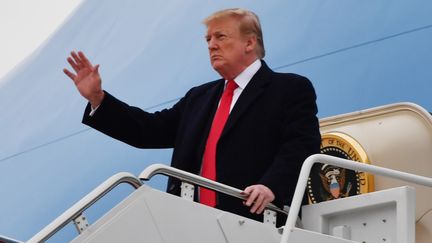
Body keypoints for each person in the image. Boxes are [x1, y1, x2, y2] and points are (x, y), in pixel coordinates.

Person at [64, 8, 321, 224]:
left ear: (250, 42)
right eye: (207, 39)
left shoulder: (289, 89)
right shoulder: (200, 97)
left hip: (254, 220)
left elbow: (300, 146)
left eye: (220, 36)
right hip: (191, 223)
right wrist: (98, 98)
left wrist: (271, 186)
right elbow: (148, 130)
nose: (211, 45)